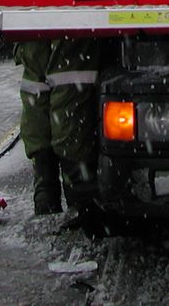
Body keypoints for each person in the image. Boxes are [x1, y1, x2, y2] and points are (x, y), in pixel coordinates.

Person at [14, 38, 102, 220]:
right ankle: (79, 196)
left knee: (37, 89)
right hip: (68, 24)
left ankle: (45, 192)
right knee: (69, 91)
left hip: (32, 21)